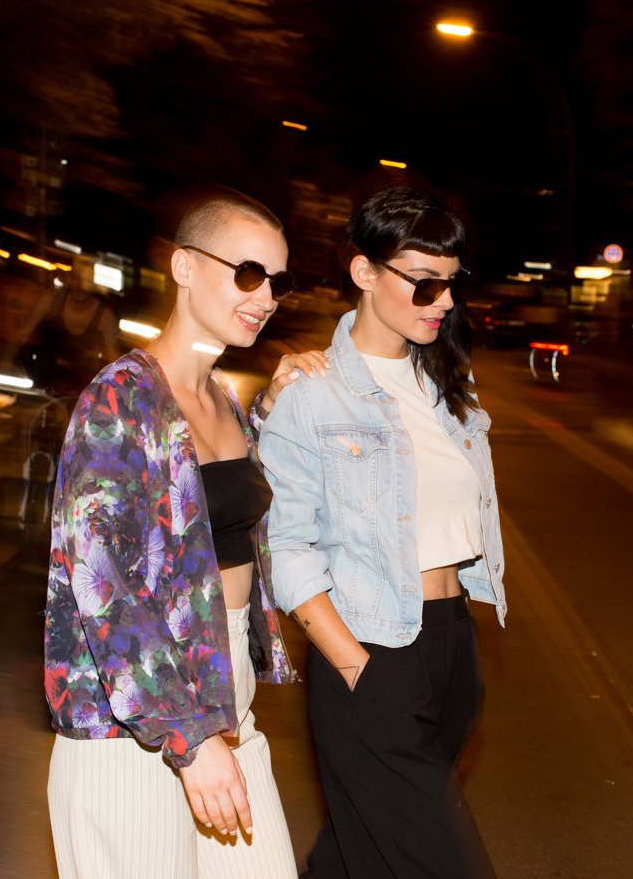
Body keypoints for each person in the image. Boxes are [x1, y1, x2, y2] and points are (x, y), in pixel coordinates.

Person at [44, 188, 326, 878]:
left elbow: (204, 513)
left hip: (225, 710)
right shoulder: (119, 400)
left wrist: (272, 409)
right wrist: (190, 739)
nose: (264, 297)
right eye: (247, 272)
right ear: (184, 268)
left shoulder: (223, 399)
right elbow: (102, 587)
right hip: (131, 735)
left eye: (277, 281)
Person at [258, 186, 507, 879]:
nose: (444, 303)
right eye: (424, 284)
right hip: (370, 650)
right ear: (364, 272)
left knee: (361, 851)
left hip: (452, 643)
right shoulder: (312, 391)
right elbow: (285, 545)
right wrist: (355, 669)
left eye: (449, 285)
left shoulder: (450, 385)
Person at [12, 254, 121, 394]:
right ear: (69, 279)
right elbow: (22, 335)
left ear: (94, 285)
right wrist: (8, 364)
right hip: (42, 384)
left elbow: (114, 362)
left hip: (81, 392)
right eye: (76, 278)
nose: (80, 287)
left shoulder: (105, 317)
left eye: (85, 281)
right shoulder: (52, 301)